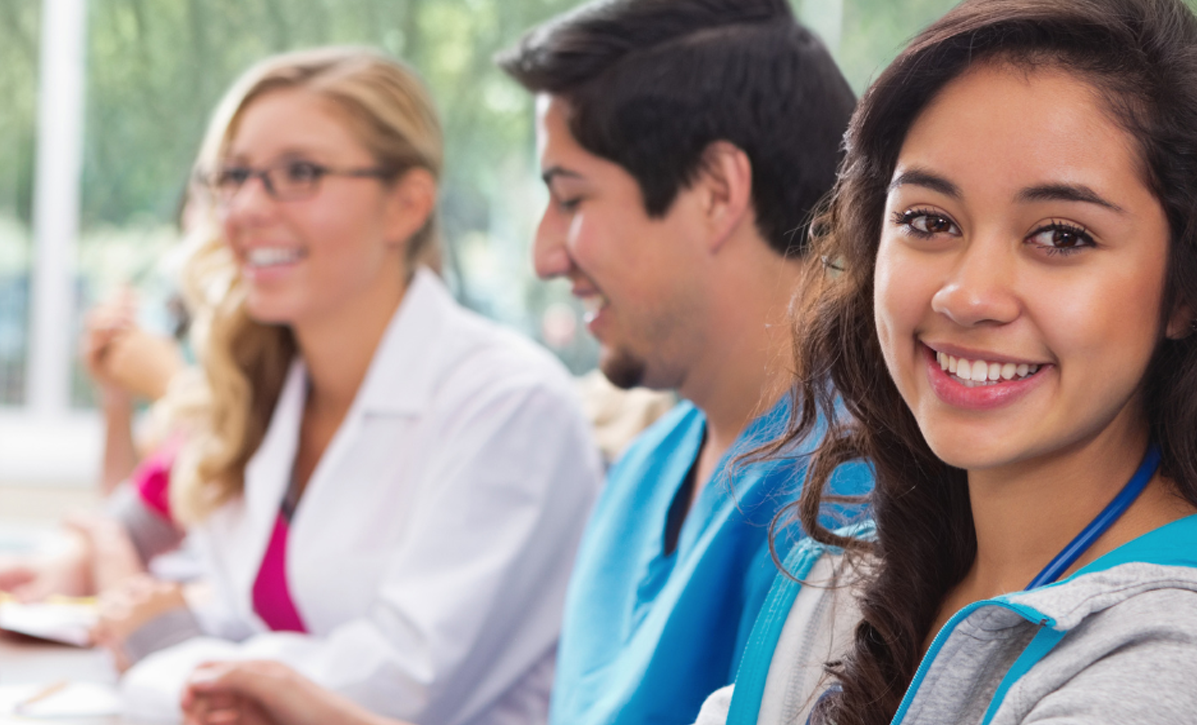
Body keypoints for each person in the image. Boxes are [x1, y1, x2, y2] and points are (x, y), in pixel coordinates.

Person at [694, 0, 1197, 723]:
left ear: (1188, 287)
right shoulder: (847, 584)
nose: (967, 296)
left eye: (1061, 236)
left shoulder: (1187, 661)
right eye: (929, 221)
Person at [181, 1, 870, 723]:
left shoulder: (853, 508)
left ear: (716, 192)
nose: (544, 254)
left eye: (570, 197)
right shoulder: (646, 474)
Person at [0, 46, 606, 725]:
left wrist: (171, 636)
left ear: (407, 205)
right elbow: (255, 619)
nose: (244, 207)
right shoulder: (278, 390)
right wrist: (172, 619)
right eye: (234, 174)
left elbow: (391, 687)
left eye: (299, 173)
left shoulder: (508, 404)